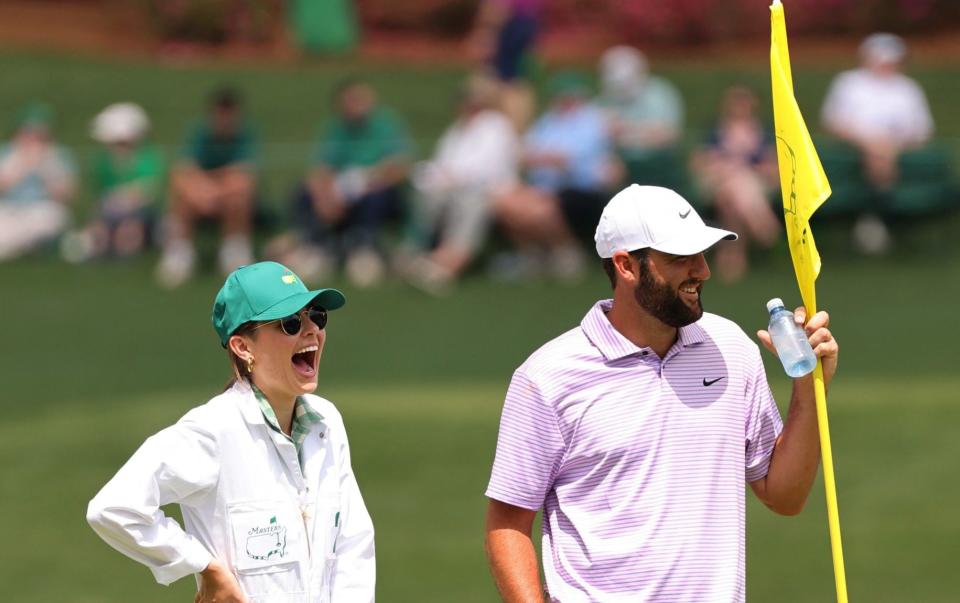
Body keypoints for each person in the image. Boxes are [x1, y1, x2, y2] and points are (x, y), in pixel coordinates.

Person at [485, 184, 839, 602]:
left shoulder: (732, 349)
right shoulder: (547, 377)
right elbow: (507, 523)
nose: (702, 270)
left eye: (702, 254)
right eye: (680, 258)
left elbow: (784, 495)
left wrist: (808, 385)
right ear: (626, 266)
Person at [87, 261, 375, 602]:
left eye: (317, 316)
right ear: (242, 347)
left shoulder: (327, 423)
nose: (311, 330)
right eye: (291, 323)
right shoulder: (212, 431)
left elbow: (354, 545)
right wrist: (203, 565)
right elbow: (113, 507)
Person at [285, 78, 412, 288]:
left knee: (375, 198)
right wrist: (325, 197)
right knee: (303, 193)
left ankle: (364, 250)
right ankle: (316, 247)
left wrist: (368, 181)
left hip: (377, 190)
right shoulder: (336, 129)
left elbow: (399, 166)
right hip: (341, 191)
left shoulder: (386, 125)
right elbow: (322, 169)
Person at [493, 72, 620, 281]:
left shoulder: (592, 121)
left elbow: (571, 158)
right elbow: (525, 153)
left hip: (580, 186)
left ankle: (565, 251)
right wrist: (544, 158)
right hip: (543, 185)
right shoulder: (548, 121)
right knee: (504, 203)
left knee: (541, 207)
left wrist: (544, 158)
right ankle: (531, 253)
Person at [401, 75, 520, 294]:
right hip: (453, 187)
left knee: (471, 204)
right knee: (427, 196)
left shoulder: (496, 126)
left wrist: (451, 177)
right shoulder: (456, 130)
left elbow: (487, 168)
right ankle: (415, 251)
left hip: (489, 189)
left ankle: (447, 265)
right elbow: (442, 162)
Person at [820, 33, 934, 253]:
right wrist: (869, 142)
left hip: (897, 150)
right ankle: (877, 216)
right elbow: (834, 122)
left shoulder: (908, 88)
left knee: (881, 154)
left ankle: (873, 216)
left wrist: (890, 143)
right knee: (878, 153)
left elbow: (921, 130)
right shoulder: (848, 83)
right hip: (853, 150)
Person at [156, 86, 258, 288]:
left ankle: (234, 252)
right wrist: (204, 191)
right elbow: (183, 170)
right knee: (183, 196)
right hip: (202, 196)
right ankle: (180, 253)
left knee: (238, 198)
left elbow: (243, 177)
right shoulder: (199, 133)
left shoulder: (245, 135)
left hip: (226, 196)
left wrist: (213, 191)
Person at [690, 86, 779, 282]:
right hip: (721, 183)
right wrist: (726, 166)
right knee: (734, 183)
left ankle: (732, 255)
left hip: (752, 184)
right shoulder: (715, 131)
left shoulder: (762, 133)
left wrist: (743, 168)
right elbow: (700, 163)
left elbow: (774, 167)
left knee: (731, 197)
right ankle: (760, 220)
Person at [62, 102, 165, 262]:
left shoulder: (148, 157)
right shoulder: (102, 161)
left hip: (141, 214)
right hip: (110, 211)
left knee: (129, 231)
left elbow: (147, 192)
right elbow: (102, 195)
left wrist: (126, 201)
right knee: (99, 232)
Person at [596, 46, 685, 189]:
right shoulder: (603, 101)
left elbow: (666, 136)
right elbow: (599, 137)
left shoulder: (660, 94)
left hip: (657, 162)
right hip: (619, 162)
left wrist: (625, 131)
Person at [0, 103, 76, 261]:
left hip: (43, 207)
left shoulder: (59, 155)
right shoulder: (6, 153)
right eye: (28, 132)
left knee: (49, 220)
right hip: (10, 208)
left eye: (38, 134)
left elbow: (66, 195)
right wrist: (22, 165)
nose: (33, 138)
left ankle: (29, 245)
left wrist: (45, 167)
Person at [465, 0, 544, 131]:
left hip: (515, 80)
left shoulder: (524, 23)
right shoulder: (499, 24)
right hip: (495, 75)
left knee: (512, 126)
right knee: (481, 121)